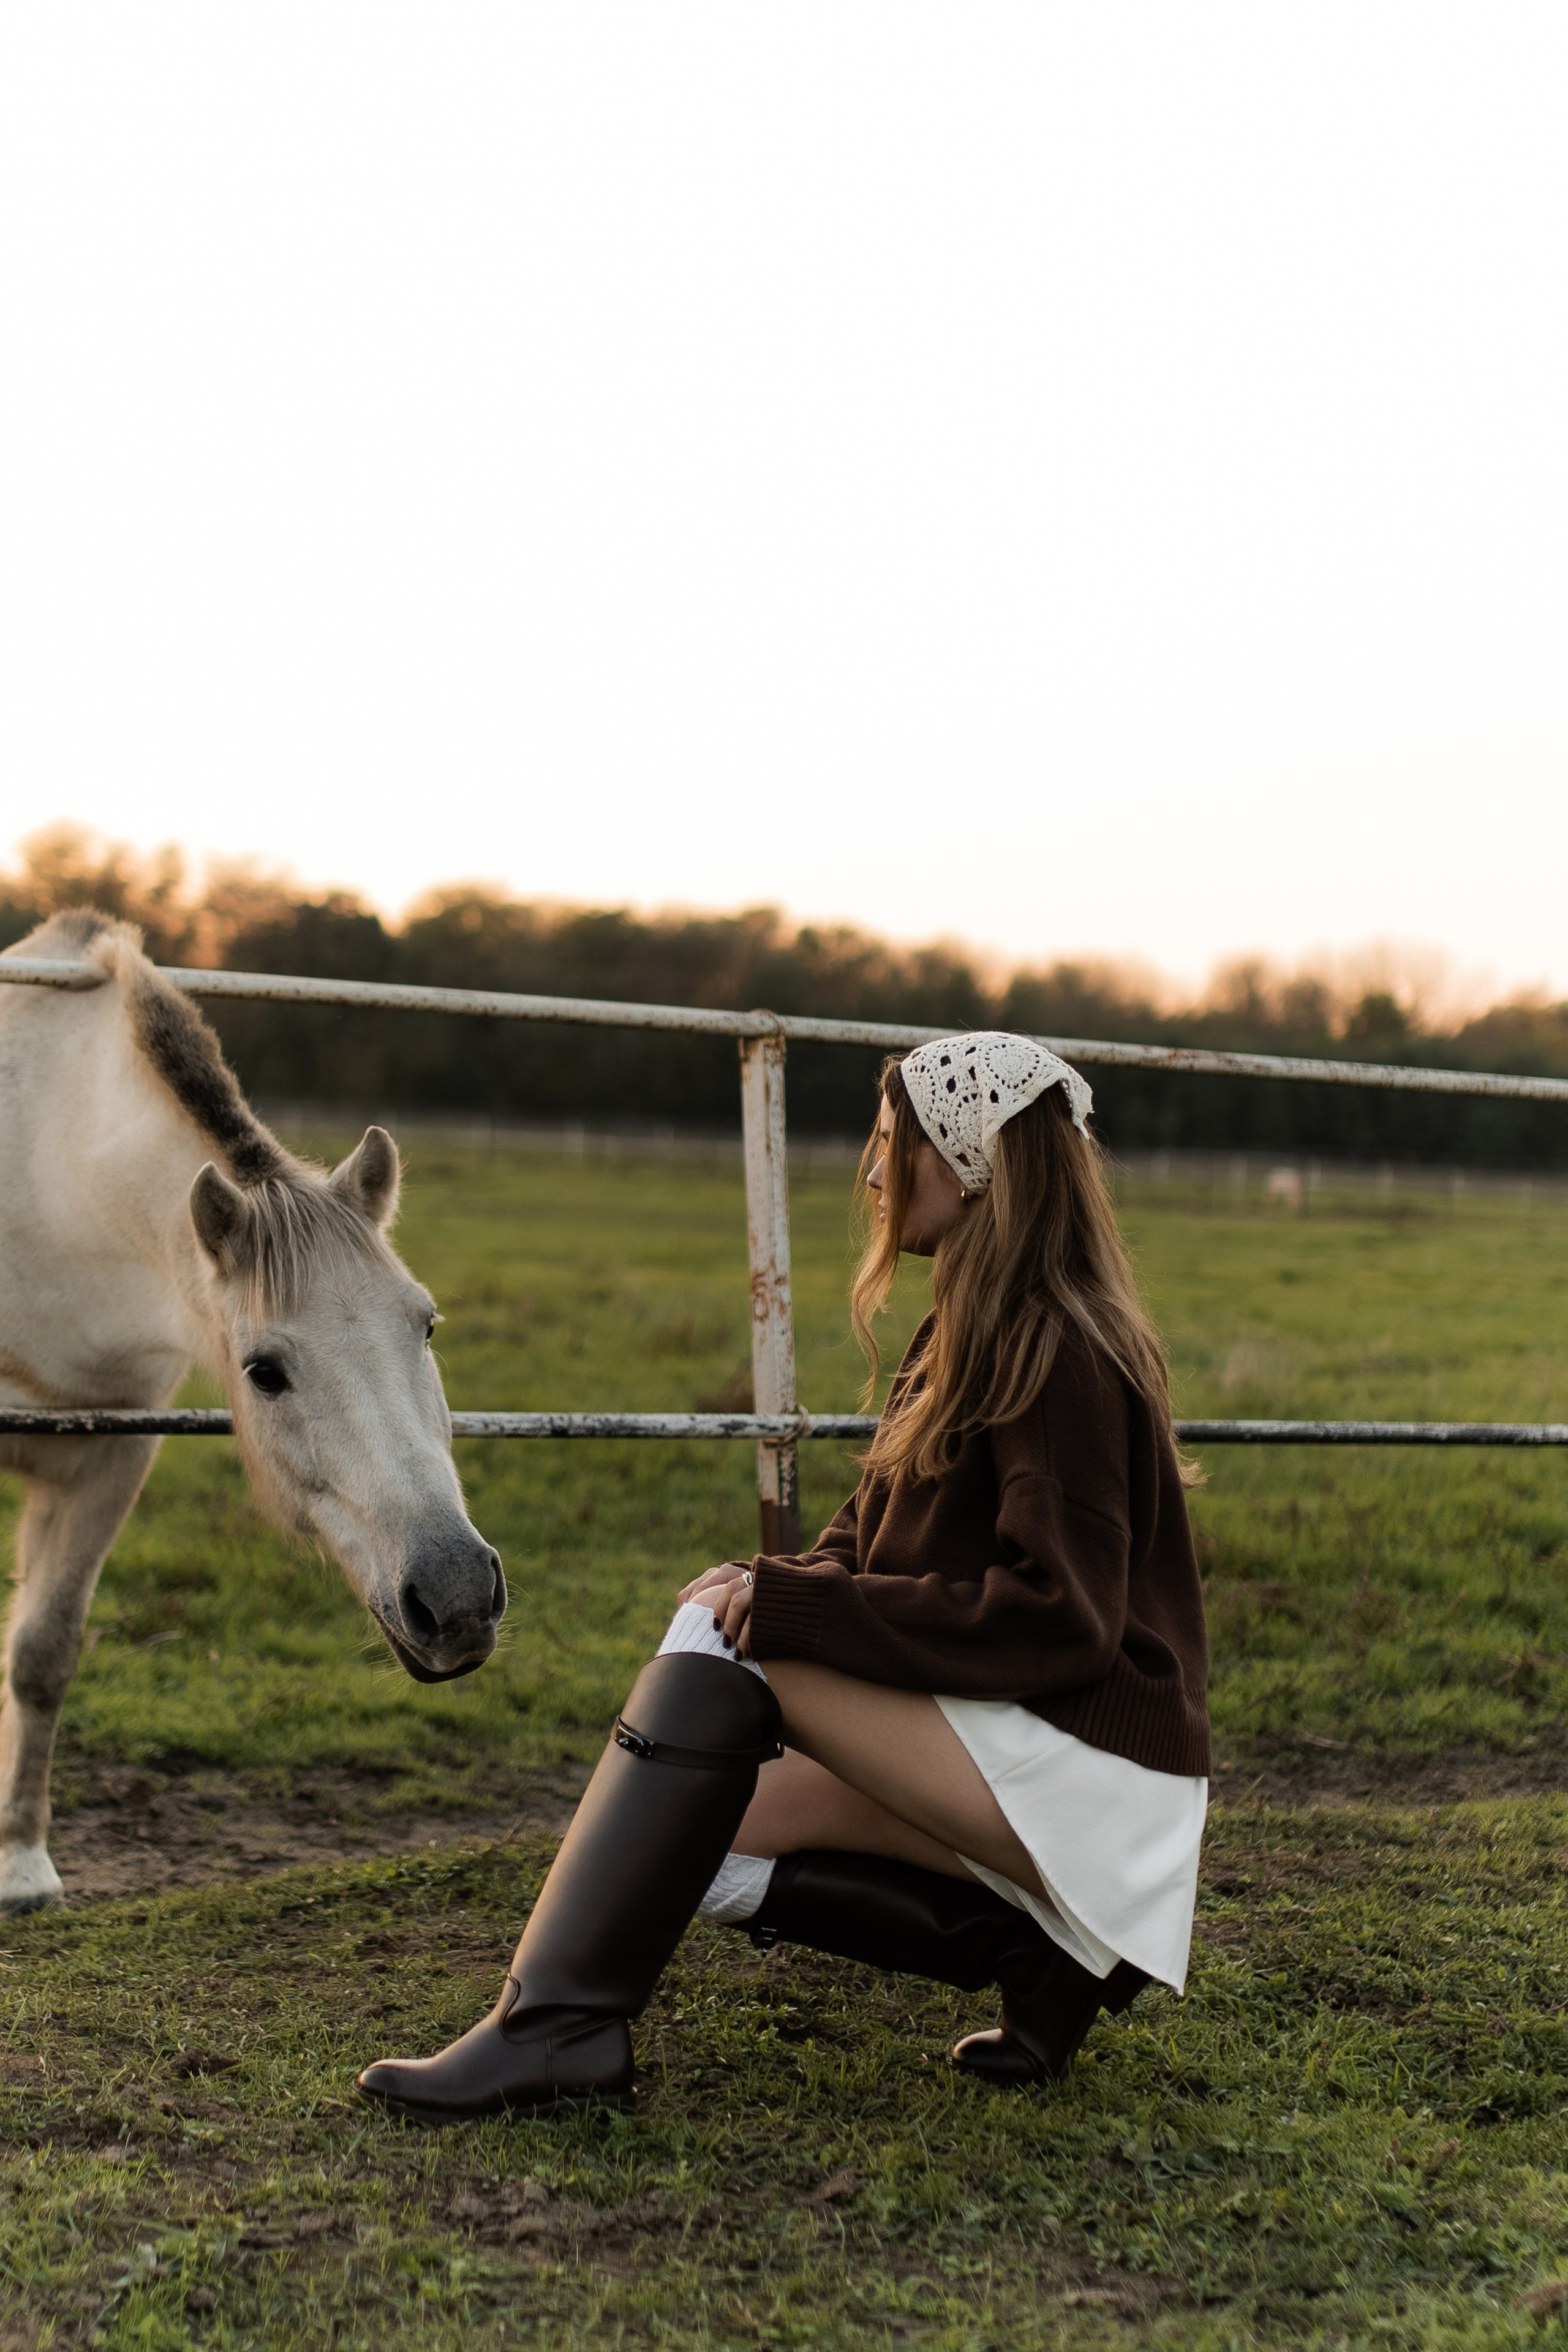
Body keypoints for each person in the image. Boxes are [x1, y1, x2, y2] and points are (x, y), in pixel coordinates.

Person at [357, 1032, 1210, 2120]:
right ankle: (1046, 1959)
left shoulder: (1057, 1348)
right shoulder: (964, 1329)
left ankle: (553, 2031)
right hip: (1024, 1742)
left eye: (894, 1144)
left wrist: (791, 1608)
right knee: (697, 1841)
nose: (873, 1172)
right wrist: (776, 1577)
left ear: (969, 1165)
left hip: (1098, 1773)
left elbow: (1062, 1616)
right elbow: (865, 1538)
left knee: (728, 1650)